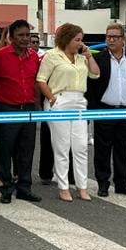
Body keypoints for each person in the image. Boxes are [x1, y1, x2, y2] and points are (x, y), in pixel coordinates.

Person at [37, 22, 100, 201]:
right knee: (62, 146)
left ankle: (82, 186)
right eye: (77, 40)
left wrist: (88, 55)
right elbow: (41, 80)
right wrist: (52, 99)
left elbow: (95, 74)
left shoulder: (81, 58)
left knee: (81, 147)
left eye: (81, 40)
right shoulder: (52, 55)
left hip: (79, 101)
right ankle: (63, 186)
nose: (80, 43)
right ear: (67, 39)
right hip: (59, 99)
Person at [0, 19, 44, 204]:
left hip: (28, 108)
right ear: (11, 37)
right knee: (5, 149)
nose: (25, 39)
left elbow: (36, 82)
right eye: (21, 35)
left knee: (26, 149)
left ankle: (24, 187)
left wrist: (37, 105)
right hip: (6, 108)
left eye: (28, 35)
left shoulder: (34, 56)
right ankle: (5, 187)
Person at [87, 23, 126, 197]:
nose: (111, 40)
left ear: (123, 39)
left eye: (115, 37)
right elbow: (91, 86)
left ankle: (122, 182)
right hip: (104, 110)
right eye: (108, 37)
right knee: (102, 150)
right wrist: (94, 109)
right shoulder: (99, 58)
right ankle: (103, 183)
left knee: (123, 149)